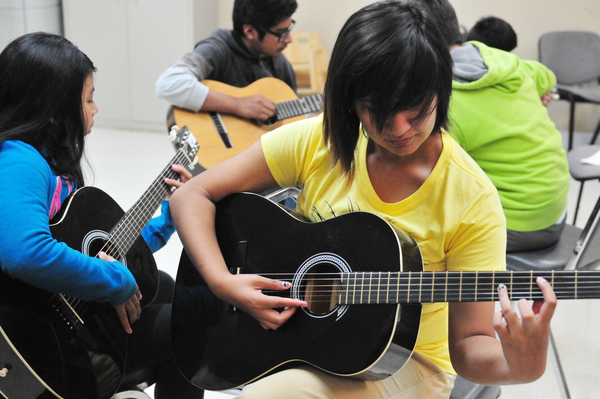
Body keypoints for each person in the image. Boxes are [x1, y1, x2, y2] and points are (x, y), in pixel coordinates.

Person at [169, 1, 557, 398]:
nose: (399, 129)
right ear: (350, 101)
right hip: (305, 340)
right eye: (377, 112)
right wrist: (221, 282)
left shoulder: (471, 198)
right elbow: (192, 195)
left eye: (416, 111)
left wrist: (521, 364)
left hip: (403, 363)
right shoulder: (323, 139)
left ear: (440, 92)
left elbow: (469, 345)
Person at [0, 32, 203, 398]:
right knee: (192, 324)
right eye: (88, 98)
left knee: (164, 284)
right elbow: (25, 252)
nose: (96, 109)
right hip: (47, 344)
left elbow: (109, 248)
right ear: (52, 111)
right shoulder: (20, 159)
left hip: (66, 310)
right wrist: (116, 282)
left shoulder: (48, 159)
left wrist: (171, 214)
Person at [422, 0, 570, 253]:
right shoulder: (501, 61)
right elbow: (547, 76)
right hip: (556, 208)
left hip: (519, 224)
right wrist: (536, 94)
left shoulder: (442, 100)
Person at [156, 0, 298, 122]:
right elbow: (168, 83)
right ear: (250, 32)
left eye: (289, 29)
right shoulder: (217, 48)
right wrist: (237, 105)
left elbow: (295, 114)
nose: (289, 39)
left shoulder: (278, 61)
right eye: (280, 33)